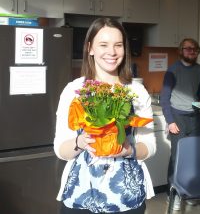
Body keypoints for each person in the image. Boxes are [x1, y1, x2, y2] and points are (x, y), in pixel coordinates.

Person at [54, 17, 156, 214]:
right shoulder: (74, 90)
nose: (112, 52)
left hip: (127, 197)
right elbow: (61, 149)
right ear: (90, 48)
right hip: (80, 194)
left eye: (118, 45)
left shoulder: (137, 91)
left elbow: (150, 147)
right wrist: (81, 142)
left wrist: (129, 150)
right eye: (104, 45)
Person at [160, 38, 200, 210]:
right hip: (177, 118)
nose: (191, 51)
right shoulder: (173, 70)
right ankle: (173, 195)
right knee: (177, 158)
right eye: (188, 49)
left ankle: (191, 191)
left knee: (196, 157)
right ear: (181, 51)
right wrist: (170, 121)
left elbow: (199, 90)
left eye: (195, 49)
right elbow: (164, 98)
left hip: (194, 116)